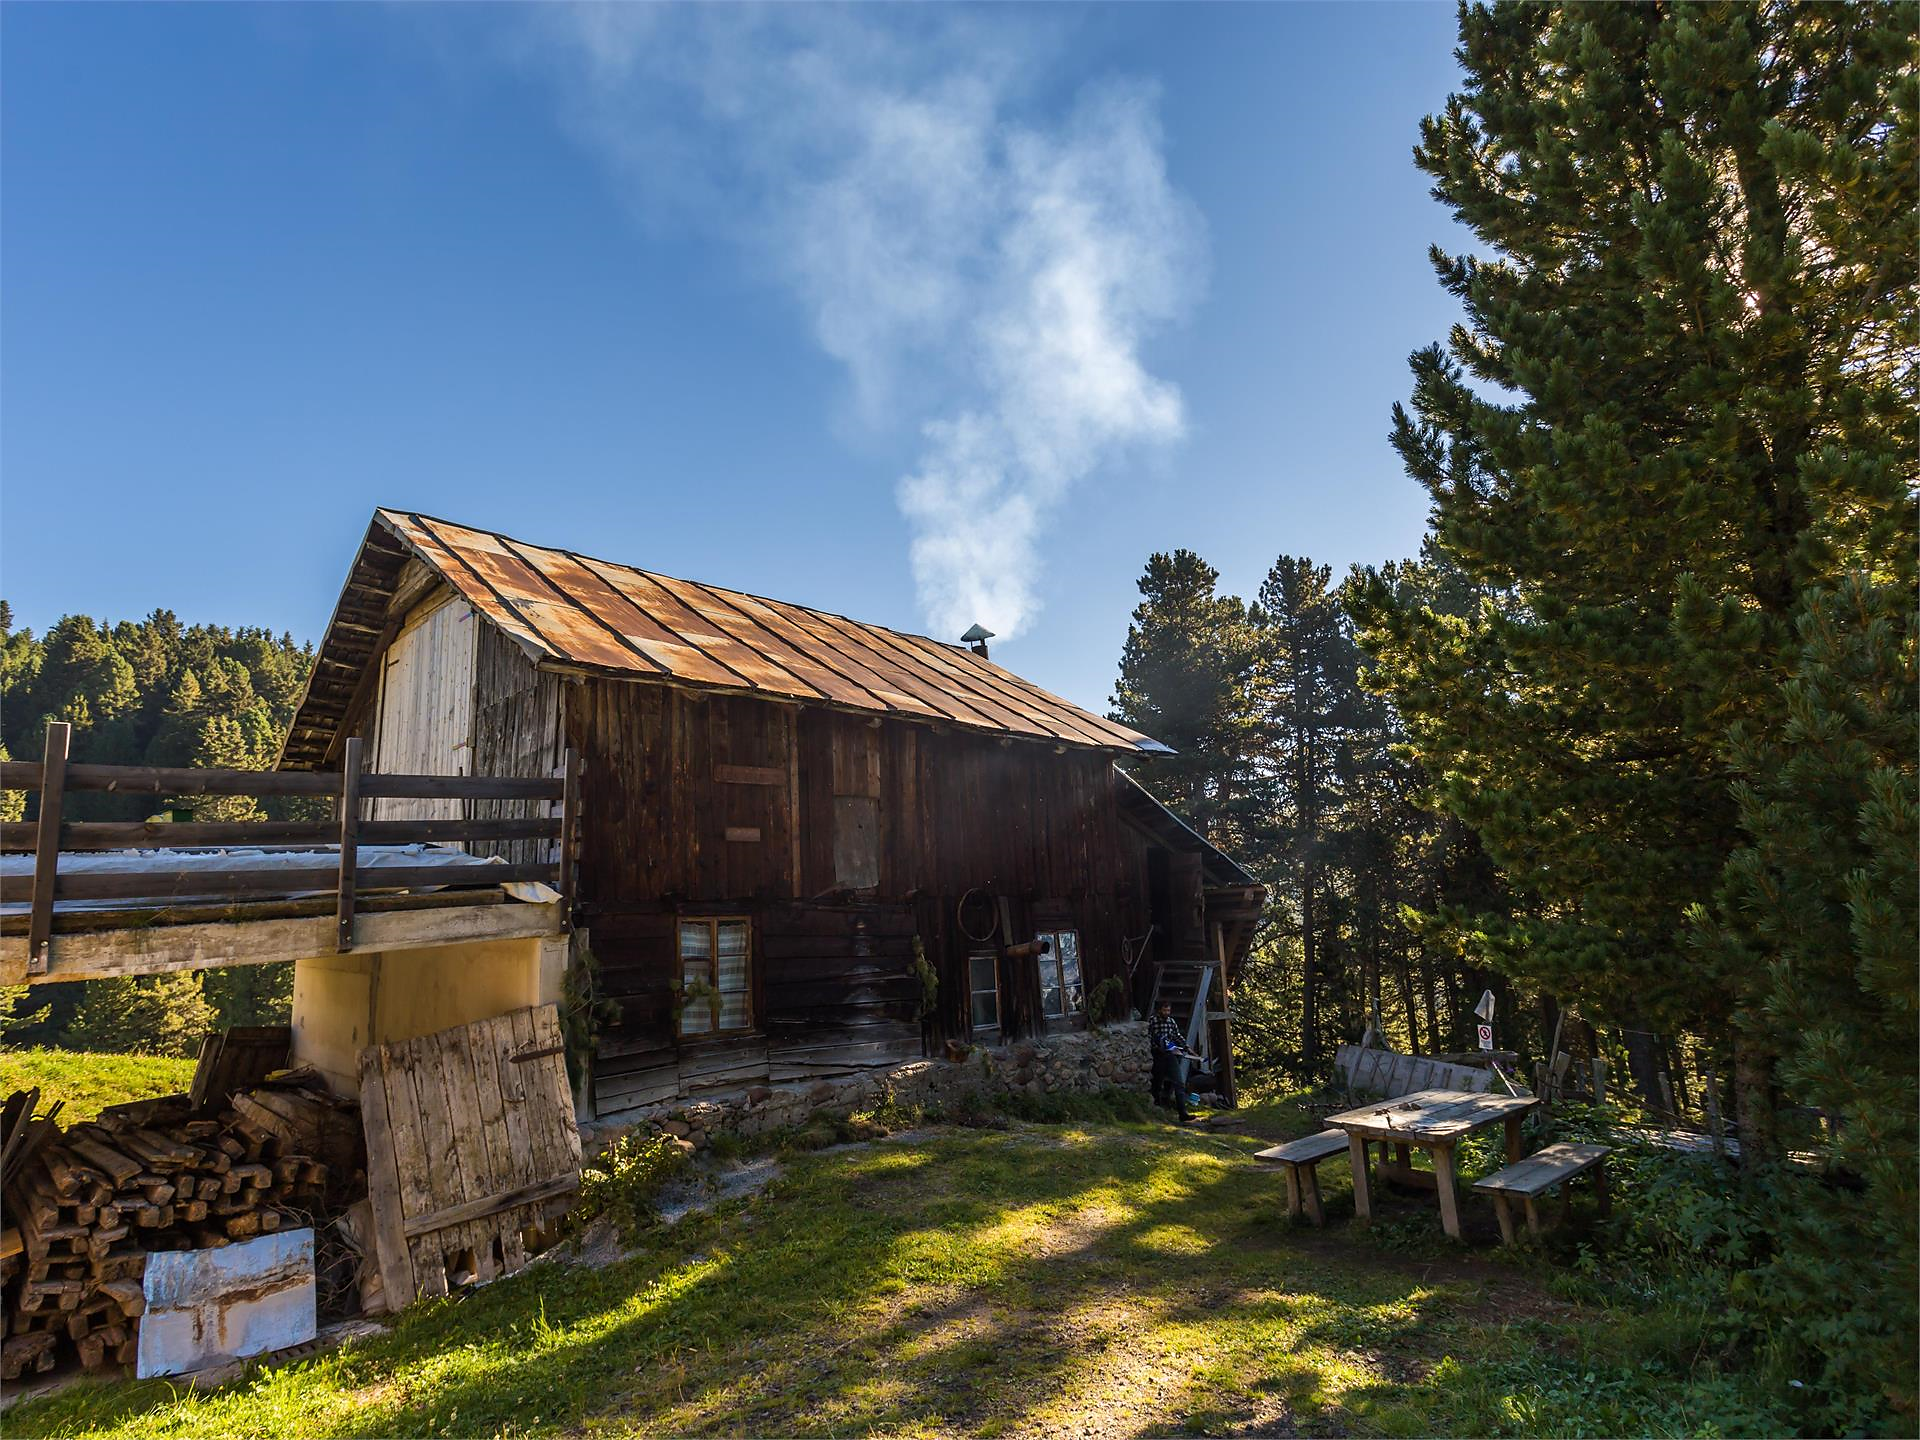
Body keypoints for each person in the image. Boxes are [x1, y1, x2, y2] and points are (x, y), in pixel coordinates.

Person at [1147, 999, 1191, 1122]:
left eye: (1168, 1010)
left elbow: (1177, 1035)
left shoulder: (1171, 1022)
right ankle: (1157, 1110)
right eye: (1165, 1010)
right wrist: (1156, 1048)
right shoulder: (1153, 1021)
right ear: (1159, 1010)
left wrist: (1186, 1046)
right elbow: (1149, 1037)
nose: (1167, 1012)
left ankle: (1183, 1113)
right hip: (1158, 1055)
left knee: (1179, 1082)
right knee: (1157, 1082)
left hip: (1170, 1054)